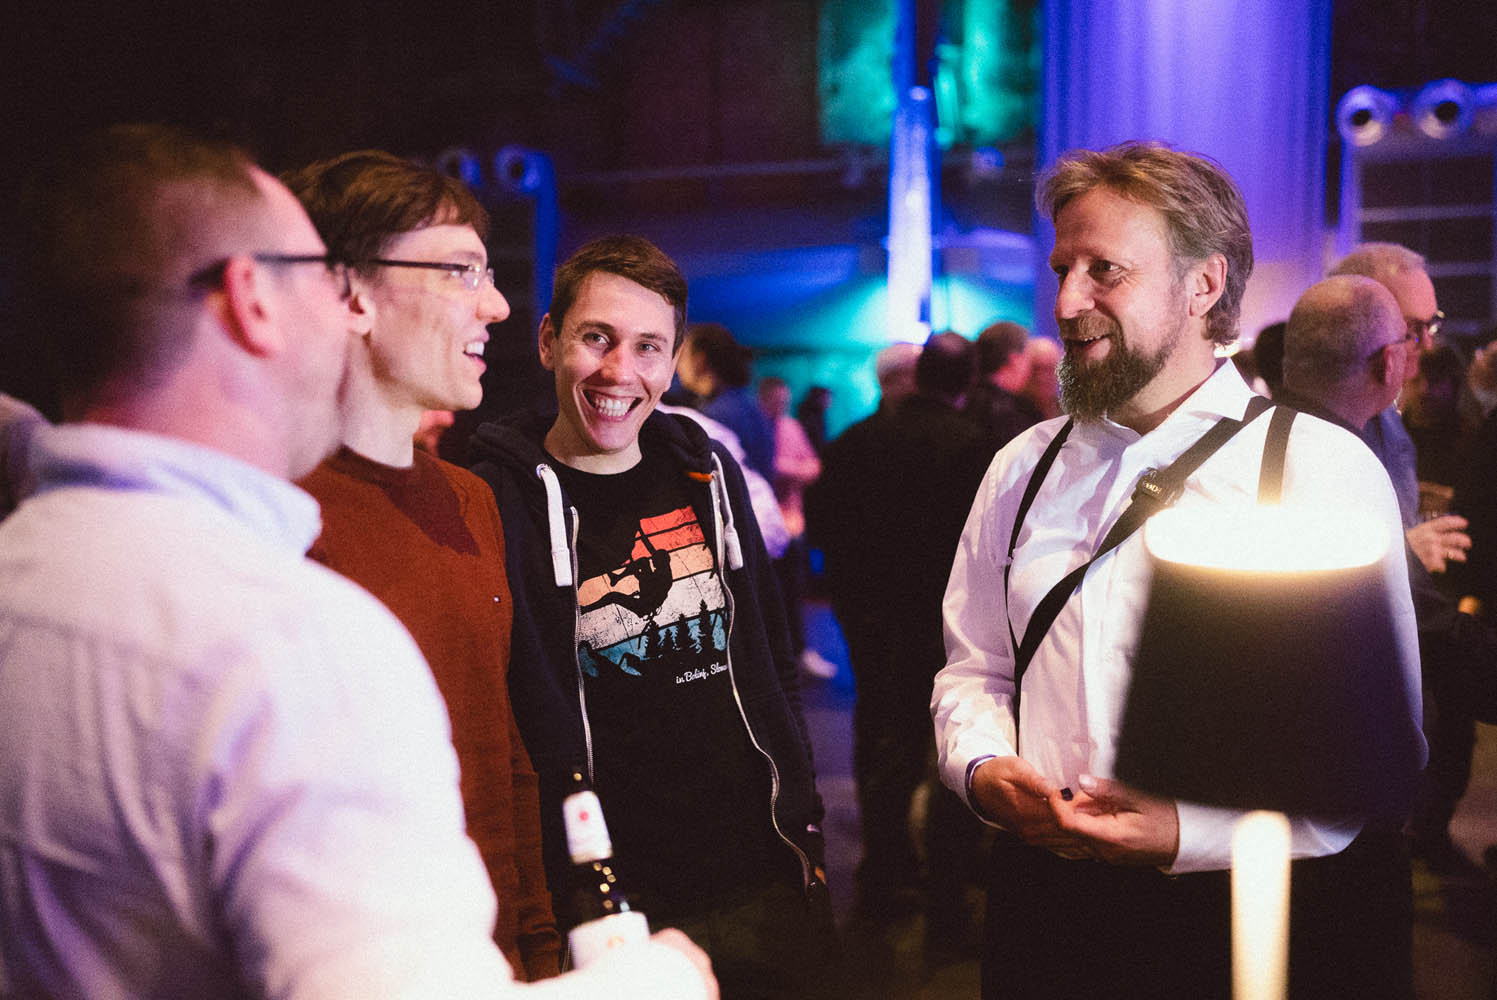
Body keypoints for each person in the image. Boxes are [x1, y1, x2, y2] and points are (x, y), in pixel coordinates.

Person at [0, 124, 714, 999]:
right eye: (316, 276)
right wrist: (664, 980)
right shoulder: (295, 636)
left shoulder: (29, 566)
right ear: (253, 299)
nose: (493, 306)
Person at [931, 141, 1424, 999]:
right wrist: (978, 767)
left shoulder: (1315, 467)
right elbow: (975, 667)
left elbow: (1372, 757)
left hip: (1238, 913)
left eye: (1105, 270)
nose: (1067, 301)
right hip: (1041, 907)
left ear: (1202, 284)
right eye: (1061, 269)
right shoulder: (1020, 467)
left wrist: (1186, 829)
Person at [467, 236, 837, 997]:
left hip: (759, 871)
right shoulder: (497, 499)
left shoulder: (707, 470)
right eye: (596, 338)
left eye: (647, 347)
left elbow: (767, 654)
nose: (619, 372)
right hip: (610, 896)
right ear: (548, 341)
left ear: (671, 365)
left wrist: (801, 817)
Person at [282, 150, 560, 979]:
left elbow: (504, 756)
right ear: (351, 295)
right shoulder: (276, 515)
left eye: (489, 273)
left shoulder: (470, 499)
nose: (497, 304)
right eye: (460, 271)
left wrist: (537, 948)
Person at [1278, 277, 1497, 875]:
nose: (1425, 348)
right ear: (1386, 361)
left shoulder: (1257, 437)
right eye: (1413, 334)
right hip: (1340, 778)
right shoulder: (1344, 462)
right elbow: (1416, 621)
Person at [805, 331, 996, 954]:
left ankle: (883, 872)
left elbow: (821, 526)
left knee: (882, 736)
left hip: (869, 617)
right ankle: (945, 894)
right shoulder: (974, 448)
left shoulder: (857, 440)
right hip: (940, 622)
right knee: (946, 748)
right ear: (967, 380)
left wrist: (854, 595)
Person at [1329, 243, 1470, 576]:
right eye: (1412, 330)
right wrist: (1403, 554)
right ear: (1351, 326)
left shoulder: (1389, 419)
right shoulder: (1314, 429)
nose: (1428, 344)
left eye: (1431, 325)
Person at [759, 375, 837, 680]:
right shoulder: (757, 427)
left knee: (793, 594)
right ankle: (777, 660)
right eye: (776, 401)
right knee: (770, 597)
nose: (780, 406)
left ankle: (796, 654)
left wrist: (783, 469)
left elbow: (814, 466)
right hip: (764, 526)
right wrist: (789, 468)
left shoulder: (790, 427)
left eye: (784, 402)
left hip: (792, 523)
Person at [676, 321, 776, 481]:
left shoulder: (715, 416)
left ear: (700, 360)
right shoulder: (746, 403)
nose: (676, 366)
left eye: (681, 357)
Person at [964, 319, 1042, 448]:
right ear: (1014, 360)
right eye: (1028, 358)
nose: (1030, 367)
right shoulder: (1013, 416)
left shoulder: (962, 400)